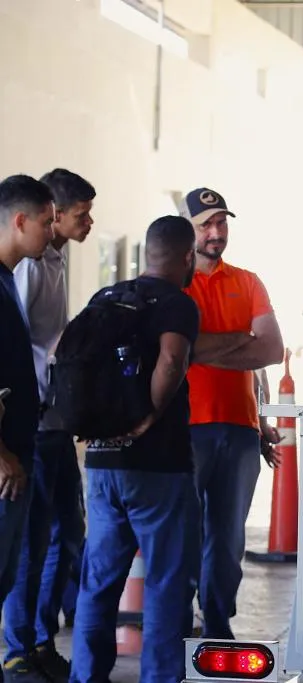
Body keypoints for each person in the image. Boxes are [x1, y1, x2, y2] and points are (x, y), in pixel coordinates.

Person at [70, 215, 201, 683]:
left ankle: (85, 676)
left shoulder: (105, 298)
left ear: (148, 253)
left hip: (102, 463)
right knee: (165, 583)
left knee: (98, 583)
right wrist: (147, 415)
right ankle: (160, 679)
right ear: (187, 257)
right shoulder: (177, 304)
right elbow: (171, 358)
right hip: (157, 466)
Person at [180, 187, 284, 640]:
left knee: (227, 541)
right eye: (206, 224)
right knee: (182, 535)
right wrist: (242, 340)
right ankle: (175, 624)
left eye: (222, 222)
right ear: (188, 230)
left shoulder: (248, 282)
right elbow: (177, 353)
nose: (216, 232)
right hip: (183, 429)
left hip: (240, 430)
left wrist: (200, 349)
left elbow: (273, 349)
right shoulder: (175, 284)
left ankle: (217, 626)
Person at [5, 169, 94, 683]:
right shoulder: (27, 270)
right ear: (50, 216)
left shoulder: (55, 257)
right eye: (80, 214)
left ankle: (41, 640)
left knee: (66, 535)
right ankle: (16, 650)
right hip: (32, 423)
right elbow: (22, 349)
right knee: (30, 543)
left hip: (57, 420)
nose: (88, 222)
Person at [0, 176, 55, 667]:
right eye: (46, 220)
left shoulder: (7, 280)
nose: (52, 230)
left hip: (18, 453)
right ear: (20, 221)